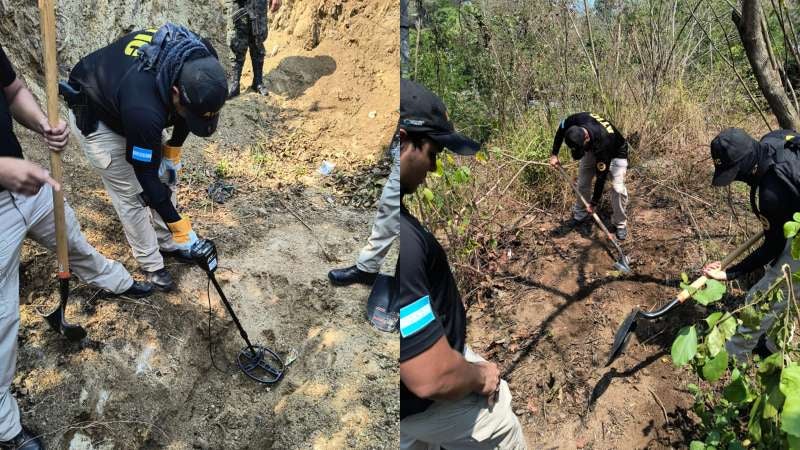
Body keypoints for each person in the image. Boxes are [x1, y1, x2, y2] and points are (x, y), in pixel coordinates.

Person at [0, 45, 152, 450]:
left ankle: (118, 281)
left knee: (75, 242)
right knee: (1, 319)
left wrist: (42, 125)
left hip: (30, 186)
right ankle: (4, 426)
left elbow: (12, 90)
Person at [398, 79, 526, 449]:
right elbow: (431, 376)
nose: (434, 168)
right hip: (426, 402)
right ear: (403, 141)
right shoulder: (401, 242)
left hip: (410, 402)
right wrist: (479, 375)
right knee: (503, 426)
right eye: (433, 152)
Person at [64, 24, 228, 292]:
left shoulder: (200, 60)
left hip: (131, 101)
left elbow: (185, 115)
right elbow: (144, 172)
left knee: (165, 175)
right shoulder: (144, 110)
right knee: (134, 193)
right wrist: (180, 223)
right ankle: (152, 263)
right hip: (97, 114)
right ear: (175, 93)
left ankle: (169, 242)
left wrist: (172, 152)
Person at [702, 128, 800, 358]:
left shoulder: (770, 195)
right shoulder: (774, 139)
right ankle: (777, 345)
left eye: (735, 173)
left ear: (747, 166)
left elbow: (773, 248)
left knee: (761, 296)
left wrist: (730, 273)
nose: (736, 179)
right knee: (788, 288)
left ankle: (736, 356)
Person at [549, 112, 630, 240]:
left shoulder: (603, 142)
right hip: (592, 147)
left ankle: (620, 224)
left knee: (617, 189)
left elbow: (601, 178)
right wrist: (554, 154)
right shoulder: (575, 121)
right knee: (582, 183)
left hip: (615, 152)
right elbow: (561, 129)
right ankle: (580, 215)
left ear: (585, 137)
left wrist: (594, 203)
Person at [227, 0, 282, 98]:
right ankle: (234, 83)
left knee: (258, 38)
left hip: (258, 4)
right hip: (238, 4)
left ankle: (258, 82)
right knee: (237, 41)